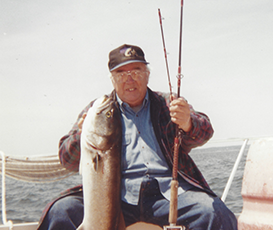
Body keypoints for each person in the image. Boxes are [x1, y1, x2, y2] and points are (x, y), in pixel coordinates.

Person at [37, 44, 237, 230]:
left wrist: (188, 122)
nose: (129, 79)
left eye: (136, 71)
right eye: (121, 73)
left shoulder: (168, 102)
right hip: (115, 195)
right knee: (60, 211)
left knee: (215, 213)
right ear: (112, 78)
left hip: (167, 193)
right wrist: (80, 138)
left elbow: (205, 132)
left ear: (147, 75)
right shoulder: (99, 110)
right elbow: (67, 159)